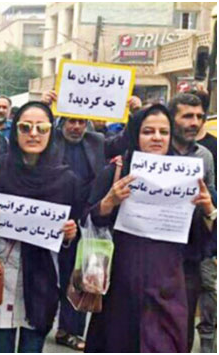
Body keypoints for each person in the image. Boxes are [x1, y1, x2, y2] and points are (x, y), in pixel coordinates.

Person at [84, 104, 215, 352]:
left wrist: (208, 210)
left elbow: (201, 241)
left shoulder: (187, 175)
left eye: (163, 132)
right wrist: (108, 202)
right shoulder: (118, 170)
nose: (156, 138)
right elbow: (89, 220)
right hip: (121, 285)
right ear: (136, 134)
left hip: (169, 287)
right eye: (148, 131)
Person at [0, 102, 80, 353]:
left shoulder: (66, 180)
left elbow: (73, 231)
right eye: (25, 127)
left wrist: (69, 235)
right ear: (15, 130)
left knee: (32, 347)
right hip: (0, 275)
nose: (33, 134)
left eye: (41, 128)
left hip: (42, 278)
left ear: (52, 132)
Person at [51, 116, 106, 350]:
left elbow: (127, 140)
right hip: (56, 220)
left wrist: (133, 112)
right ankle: (52, 324)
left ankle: (71, 330)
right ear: (61, 123)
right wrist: (45, 105)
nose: (76, 127)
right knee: (57, 276)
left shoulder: (97, 141)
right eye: (71, 122)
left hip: (87, 219)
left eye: (81, 122)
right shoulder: (51, 141)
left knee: (83, 276)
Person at [167, 93, 217, 353]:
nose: (195, 122)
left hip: (190, 256)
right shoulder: (154, 150)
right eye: (187, 116)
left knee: (182, 326)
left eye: (199, 116)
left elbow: (211, 204)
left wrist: (208, 206)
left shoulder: (205, 156)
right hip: (155, 253)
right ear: (172, 119)